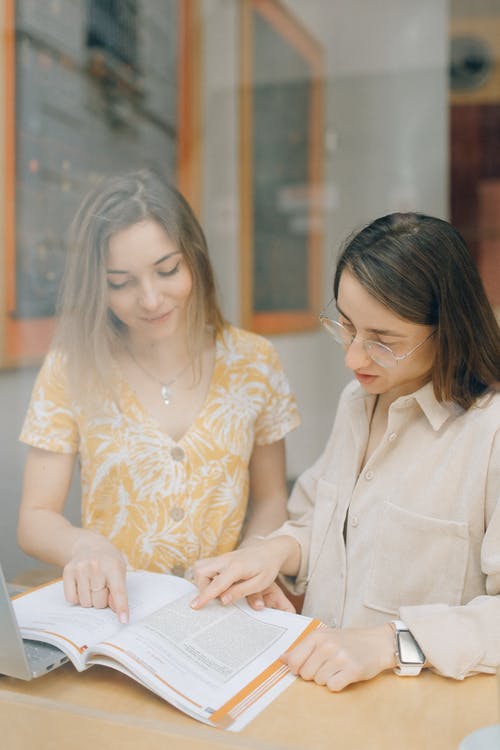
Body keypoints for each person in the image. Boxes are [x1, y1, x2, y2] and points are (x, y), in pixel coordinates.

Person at [192, 212, 500, 691]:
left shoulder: (490, 432)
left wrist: (388, 644)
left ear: (449, 329)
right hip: (316, 694)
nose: (353, 357)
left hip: (420, 714)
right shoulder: (358, 402)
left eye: (382, 341)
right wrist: (274, 552)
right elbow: (327, 521)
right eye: (347, 326)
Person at [17, 169, 300, 624]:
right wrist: (82, 544)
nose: (150, 299)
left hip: (221, 613)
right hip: (116, 616)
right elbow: (34, 517)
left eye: (167, 270)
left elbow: (271, 499)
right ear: (97, 285)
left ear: (194, 260)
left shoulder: (254, 362)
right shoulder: (72, 367)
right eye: (120, 282)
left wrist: (249, 562)